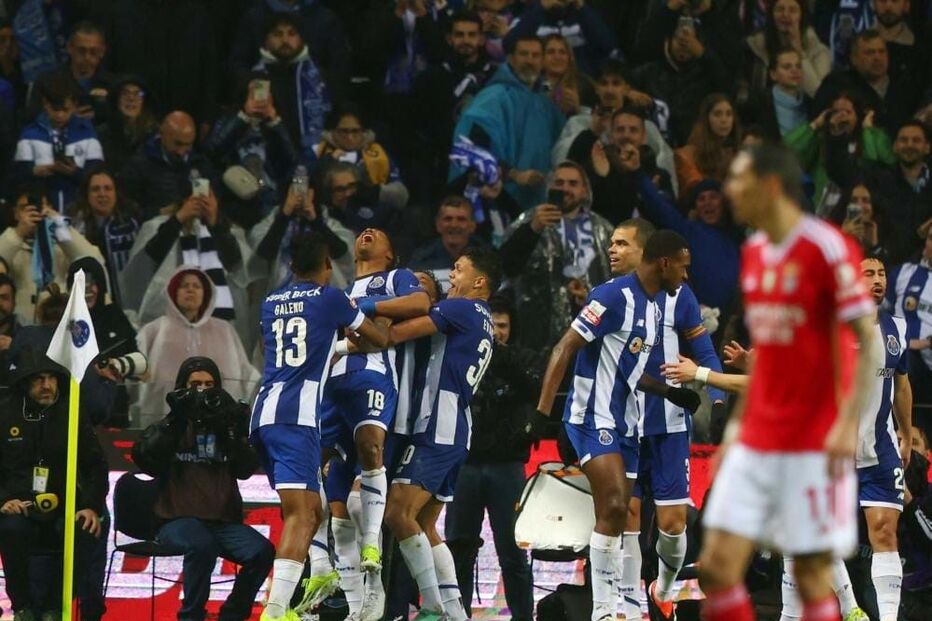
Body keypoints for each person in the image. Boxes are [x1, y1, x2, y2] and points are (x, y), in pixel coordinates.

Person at [696, 144, 880, 621]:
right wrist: (736, 431)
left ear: (771, 185)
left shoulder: (826, 247)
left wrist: (846, 424)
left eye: (739, 180)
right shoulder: (754, 253)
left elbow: (868, 342)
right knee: (715, 566)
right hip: (759, 431)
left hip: (812, 435)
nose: (729, 190)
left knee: (810, 574)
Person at [530, 230, 698, 621]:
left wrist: (668, 393)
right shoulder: (611, 295)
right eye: (683, 267)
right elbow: (564, 347)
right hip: (591, 416)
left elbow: (629, 369)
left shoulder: (654, 308)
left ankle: (617, 607)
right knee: (616, 505)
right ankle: (604, 611)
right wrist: (542, 414)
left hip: (627, 423)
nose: (686, 276)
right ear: (664, 263)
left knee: (619, 514)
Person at [594, 218, 726, 621]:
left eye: (622, 243)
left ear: (648, 252)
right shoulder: (609, 295)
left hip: (668, 423)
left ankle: (663, 590)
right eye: (612, 243)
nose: (613, 250)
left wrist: (717, 397)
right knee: (628, 516)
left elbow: (703, 349)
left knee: (673, 523)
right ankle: (629, 607)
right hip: (623, 424)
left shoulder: (679, 295)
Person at [250, 233, 386, 621]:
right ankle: (275, 612)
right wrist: (362, 321)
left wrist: (330, 343)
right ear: (327, 266)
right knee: (302, 515)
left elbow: (275, 347)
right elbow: (378, 340)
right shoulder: (331, 298)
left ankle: (318, 574)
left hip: (264, 414)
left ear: (292, 266)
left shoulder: (270, 301)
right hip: (297, 419)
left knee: (311, 508)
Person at [377, 247, 501, 621]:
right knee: (426, 526)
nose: (452, 276)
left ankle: (432, 606)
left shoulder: (461, 308)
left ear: (479, 282)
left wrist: (357, 320)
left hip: (437, 426)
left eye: (459, 270)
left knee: (398, 513)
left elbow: (395, 334)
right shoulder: (483, 319)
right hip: (456, 426)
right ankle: (456, 612)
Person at [132, 356, 275, 621]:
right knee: (201, 544)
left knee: (262, 552)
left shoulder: (225, 427)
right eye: (195, 384)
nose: (202, 390)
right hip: (176, 521)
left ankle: (232, 615)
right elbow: (146, 461)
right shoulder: (171, 425)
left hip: (222, 524)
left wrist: (233, 430)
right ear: (181, 387)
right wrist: (176, 419)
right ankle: (192, 616)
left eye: (210, 385)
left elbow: (245, 469)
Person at [444, 295, 537, 621]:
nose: (496, 332)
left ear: (512, 328)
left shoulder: (523, 359)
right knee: (459, 549)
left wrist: (498, 353)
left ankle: (523, 617)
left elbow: (535, 388)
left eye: (502, 326)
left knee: (513, 552)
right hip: (464, 465)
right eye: (491, 325)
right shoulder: (459, 357)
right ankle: (459, 616)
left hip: (508, 467)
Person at [0, 348, 109, 621]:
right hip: (18, 504)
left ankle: (54, 607)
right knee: (12, 528)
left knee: (87, 528)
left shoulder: (71, 411)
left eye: (52, 378)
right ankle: (22, 606)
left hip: (65, 504)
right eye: (39, 379)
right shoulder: (5, 412)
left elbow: (96, 466)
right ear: (25, 382)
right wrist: (3, 500)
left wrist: (91, 506)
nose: (47, 385)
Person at [118, 175, 255, 347]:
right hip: (167, 323)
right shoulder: (157, 227)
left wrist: (215, 224)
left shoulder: (228, 230)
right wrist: (178, 220)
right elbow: (141, 269)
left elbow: (240, 270)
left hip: (219, 328)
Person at [499, 161, 613, 353]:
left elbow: (615, 280)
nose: (565, 189)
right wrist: (532, 229)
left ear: (585, 191)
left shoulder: (604, 230)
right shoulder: (528, 222)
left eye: (572, 183)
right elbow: (506, 267)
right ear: (549, 187)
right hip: (535, 338)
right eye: (559, 183)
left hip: (590, 337)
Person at [450, 35, 566, 211]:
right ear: (511, 59)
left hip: (537, 203)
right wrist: (512, 174)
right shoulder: (493, 97)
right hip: (496, 201)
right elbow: (471, 147)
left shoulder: (546, 103)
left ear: (543, 61)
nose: (530, 61)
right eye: (524, 54)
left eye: (535, 55)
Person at [134, 266, 260, 428]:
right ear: (173, 292)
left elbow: (247, 374)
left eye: (196, 286)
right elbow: (135, 374)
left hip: (220, 423)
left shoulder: (224, 330)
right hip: (165, 424)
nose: (190, 290)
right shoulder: (154, 330)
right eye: (184, 286)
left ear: (205, 293)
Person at [0, 187, 105, 325]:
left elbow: (93, 261)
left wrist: (60, 227)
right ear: (15, 213)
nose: (33, 212)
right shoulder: (9, 242)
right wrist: (18, 233)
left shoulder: (63, 246)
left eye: (40, 207)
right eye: (25, 208)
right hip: (20, 327)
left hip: (61, 323)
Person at [627, 15, 731, 147]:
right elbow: (620, 83)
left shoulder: (707, 75)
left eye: (690, 40)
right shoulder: (649, 71)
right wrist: (629, 93)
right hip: (652, 145)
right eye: (679, 39)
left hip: (693, 147)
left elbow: (726, 85)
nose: (684, 44)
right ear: (668, 41)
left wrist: (703, 54)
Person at [783, 91, 894, 213]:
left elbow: (875, 162)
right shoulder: (820, 139)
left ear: (858, 115)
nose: (841, 116)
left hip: (861, 206)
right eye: (836, 112)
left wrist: (867, 131)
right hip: (821, 208)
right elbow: (786, 152)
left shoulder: (873, 136)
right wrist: (814, 125)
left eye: (848, 112)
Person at [249, 173, 354, 293]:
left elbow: (343, 254)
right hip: (283, 291)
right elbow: (263, 256)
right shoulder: (272, 221)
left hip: (324, 291)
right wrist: (284, 215)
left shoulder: (326, 221)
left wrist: (315, 221)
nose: (299, 197)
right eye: (295, 191)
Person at [13, 74, 104, 212]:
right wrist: (34, 172)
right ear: (45, 104)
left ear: (74, 105)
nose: (60, 115)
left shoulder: (87, 133)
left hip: (81, 211)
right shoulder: (29, 135)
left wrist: (75, 173)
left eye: (65, 109)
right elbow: (15, 178)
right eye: (55, 109)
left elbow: (98, 175)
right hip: (42, 211)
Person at [251, 14, 335, 157]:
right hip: (268, 155)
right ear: (266, 41)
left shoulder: (319, 77)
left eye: (292, 34)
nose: (285, 40)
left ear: (301, 38)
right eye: (277, 34)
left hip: (316, 156)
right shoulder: (255, 77)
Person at [575, 106, 676, 223]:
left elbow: (670, 220)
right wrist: (600, 177)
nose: (626, 135)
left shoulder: (659, 176)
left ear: (644, 137)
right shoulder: (596, 168)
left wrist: (648, 193)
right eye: (620, 130)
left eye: (633, 130)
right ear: (611, 135)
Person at [813, 29, 920, 135]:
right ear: (854, 59)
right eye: (870, 53)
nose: (877, 57)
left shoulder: (904, 83)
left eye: (881, 51)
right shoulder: (836, 84)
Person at [118, 110, 217, 220]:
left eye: (188, 145)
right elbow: (126, 209)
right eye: (178, 143)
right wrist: (160, 212)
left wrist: (212, 213)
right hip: (155, 226)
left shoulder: (201, 164)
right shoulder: (138, 165)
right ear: (162, 134)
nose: (181, 151)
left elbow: (217, 203)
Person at [66, 166, 140, 305]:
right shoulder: (74, 226)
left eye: (108, 188)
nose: (102, 194)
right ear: (86, 195)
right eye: (95, 189)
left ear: (116, 193)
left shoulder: (133, 223)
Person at [312, 104, 408, 209]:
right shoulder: (316, 152)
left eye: (355, 131)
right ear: (332, 131)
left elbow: (402, 196)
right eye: (344, 131)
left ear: (364, 131)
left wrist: (373, 192)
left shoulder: (379, 154)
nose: (350, 137)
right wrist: (323, 166)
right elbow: (301, 185)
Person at [28, 20, 113, 125]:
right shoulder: (46, 82)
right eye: (81, 51)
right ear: (69, 48)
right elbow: (32, 120)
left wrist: (99, 115)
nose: (87, 57)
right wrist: (64, 116)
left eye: (93, 51)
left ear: (102, 51)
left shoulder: (112, 85)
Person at [503, 0, 618, 76]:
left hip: (581, 84)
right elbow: (509, 45)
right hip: (540, 84)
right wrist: (541, 8)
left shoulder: (584, 15)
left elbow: (607, 46)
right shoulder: (529, 14)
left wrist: (582, 8)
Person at [744, 0, 831, 100]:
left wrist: (799, 51)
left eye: (792, 10)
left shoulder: (818, 52)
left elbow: (818, 94)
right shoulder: (755, 47)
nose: (785, 15)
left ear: (802, 16)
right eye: (780, 9)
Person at [884, 228, 932, 410]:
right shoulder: (903, 273)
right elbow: (878, 311)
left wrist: (926, 343)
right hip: (901, 352)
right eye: (931, 238)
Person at [409, 197, 483, 291]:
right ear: (438, 224)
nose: (454, 225)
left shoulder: (486, 258)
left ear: (472, 225)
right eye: (448, 219)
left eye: (461, 219)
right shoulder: (420, 260)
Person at [674, 93, 742, 195]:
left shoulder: (738, 154)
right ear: (706, 119)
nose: (724, 120)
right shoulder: (687, 156)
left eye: (729, 114)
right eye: (717, 114)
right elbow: (699, 192)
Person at [95, 76, 159, 173]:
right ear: (116, 99)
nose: (131, 98)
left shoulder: (155, 135)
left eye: (138, 94)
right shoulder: (102, 134)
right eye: (125, 93)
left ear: (144, 102)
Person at [541, 34, 592, 117]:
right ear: (541, 57)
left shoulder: (583, 86)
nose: (557, 57)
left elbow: (593, 119)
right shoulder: (533, 86)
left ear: (569, 57)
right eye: (551, 52)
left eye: (562, 52)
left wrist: (578, 109)